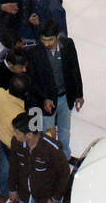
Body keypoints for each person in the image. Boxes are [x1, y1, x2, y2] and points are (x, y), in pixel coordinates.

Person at [29, 19, 84, 157]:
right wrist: (43, 99)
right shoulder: (35, 53)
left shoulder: (68, 45)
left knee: (65, 130)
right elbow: (33, 81)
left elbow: (74, 70)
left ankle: (64, 156)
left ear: (57, 36)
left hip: (66, 96)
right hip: (48, 101)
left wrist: (79, 94)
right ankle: (50, 159)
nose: (46, 44)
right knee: (48, 131)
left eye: (50, 40)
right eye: (43, 40)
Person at [0, 71, 29, 203]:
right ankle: (16, 195)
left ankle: (3, 193)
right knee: (18, 171)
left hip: (1, 136)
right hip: (14, 147)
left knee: (4, 168)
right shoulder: (19, 113)